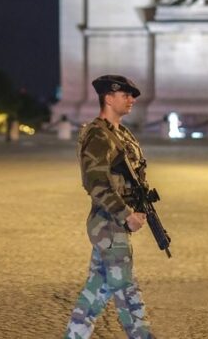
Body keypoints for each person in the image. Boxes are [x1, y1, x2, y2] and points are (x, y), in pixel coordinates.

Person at [64, 75, 155, 339]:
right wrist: (126, 215)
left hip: (114, 225)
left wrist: (140, 207)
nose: (132, 100)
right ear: (108, 97)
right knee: (126, 290)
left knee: (98, 288)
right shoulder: (97, 135)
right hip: (109, 224)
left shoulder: (122, 134)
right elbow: (95, 182)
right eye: (126, 94)